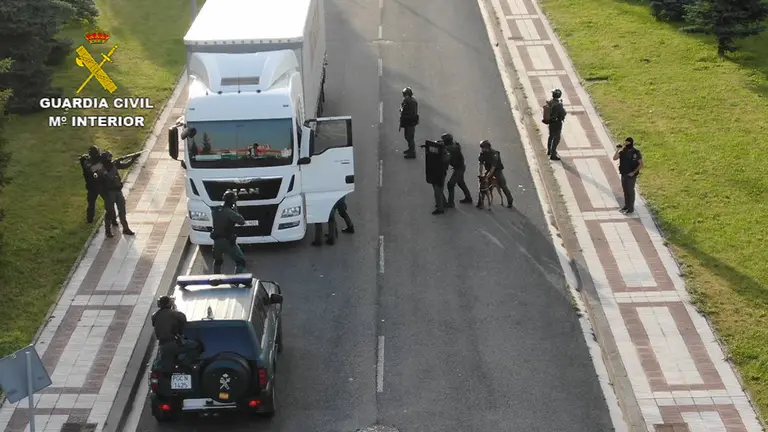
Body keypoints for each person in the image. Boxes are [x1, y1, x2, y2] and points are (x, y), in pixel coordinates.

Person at [94, 151, 140, 237]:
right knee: (109, 212)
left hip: (118, 191)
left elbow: (126, 165)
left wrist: (133, 158)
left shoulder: (113, 165)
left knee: (122, 210)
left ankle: (125, 228)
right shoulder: (100, 168)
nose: (111, 159)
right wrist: (113, 166)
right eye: (109, 158)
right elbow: (107, 177)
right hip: (109, 193)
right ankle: (108, 231)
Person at [210, 190, 247, 273]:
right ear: (233, 201)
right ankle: (236, 282)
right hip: (228, 241)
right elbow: (241, 221)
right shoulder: (230, 212)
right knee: (241, 261)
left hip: (216, 241)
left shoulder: (216, 210)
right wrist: (236, 211)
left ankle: (216, 280)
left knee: (218, 261)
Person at [152, 295, 187, 373]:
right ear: (169, 304)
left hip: (162, 345)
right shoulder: (174, 314)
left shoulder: (155, 316)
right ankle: (186, 365)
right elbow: (183, 319)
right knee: (195, 345)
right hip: (173, 342)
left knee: (164, 366)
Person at [477, 140, 514, 209]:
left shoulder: (494, 154)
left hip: (497, 170)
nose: (482, 149)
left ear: (487, 147)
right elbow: (481, 165)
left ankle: (510, 201)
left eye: (483, 147)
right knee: (482, 185)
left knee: (503, 185)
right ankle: (480, 202)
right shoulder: (482, 154)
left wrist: (487, 177)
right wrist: (481, 175)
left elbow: (493, 168)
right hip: (488, 169)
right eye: (481, 147)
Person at [613, 137, 643, 215]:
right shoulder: (622, 151)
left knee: (630, 191)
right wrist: (618, 150)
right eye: (625, 142)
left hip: (631, 175)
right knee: (625, 191)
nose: (626, 144)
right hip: (623, 174)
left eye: (627, 143)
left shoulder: (635, 152)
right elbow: (615, 158)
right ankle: (626, 206)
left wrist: (633, 172)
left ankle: (631, 208)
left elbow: (641, 164)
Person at [442, 133, 472, 207]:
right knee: (461, 183)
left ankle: (451, 203)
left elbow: (446, 153)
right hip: (459, 167)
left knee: (450, 184)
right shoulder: (454, 145)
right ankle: (468, 198)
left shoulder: (451, 148)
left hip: (459, 168)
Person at [423, 139, 450, 214]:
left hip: (440, 174)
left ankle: (440, 209)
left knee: (438, 192)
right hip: (434, 173)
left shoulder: (445, 154)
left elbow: (444, 160)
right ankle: (444, 203)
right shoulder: (437, 153)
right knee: (437, 189)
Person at [79, 145, 103, 223]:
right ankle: (90, 220)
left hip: (100, 184)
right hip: (92, 186)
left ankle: (113, 219)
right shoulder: (86, 161)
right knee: (91, 204)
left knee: (109, 201)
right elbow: (91, 169)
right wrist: (102, 164)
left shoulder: (98, 159)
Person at [545, 88, 567, 161]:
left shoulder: (550, 102)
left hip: (551, 122)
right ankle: (553, 154)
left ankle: (549, 150)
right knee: (556, 138)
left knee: (551, 136)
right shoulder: (559, 105)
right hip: (557, 123)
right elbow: (564, 113)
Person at [399, 87, 419, 159]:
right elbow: (402, 107)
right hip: (407, 122)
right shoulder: (406, 101)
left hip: (410, 122)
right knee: (407, 136)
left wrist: (404, 114)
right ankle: (410, 149)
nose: (404, 96)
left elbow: (412, 114)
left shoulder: (412, 102)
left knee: (410, 137)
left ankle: (412, 152)